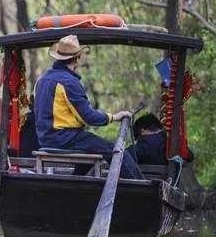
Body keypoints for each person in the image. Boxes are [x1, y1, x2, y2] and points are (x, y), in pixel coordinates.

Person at [34, 35, 144, 179]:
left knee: (91, 147)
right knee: (114, 150)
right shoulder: (68, 82)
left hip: (45, 138)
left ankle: (72, 184)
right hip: (64, 138)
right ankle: (142, 187)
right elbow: (89, 117)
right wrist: (115, 117)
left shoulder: (41, 80)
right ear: (76, 59)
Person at [126, 113, 194, 165]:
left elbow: (124, 155)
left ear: (143, 130)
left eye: (138, 138)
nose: (139, 140)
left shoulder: (146, 143)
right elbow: (190, 157)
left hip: (146, 181)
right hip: (171, 182)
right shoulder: (172, 140)